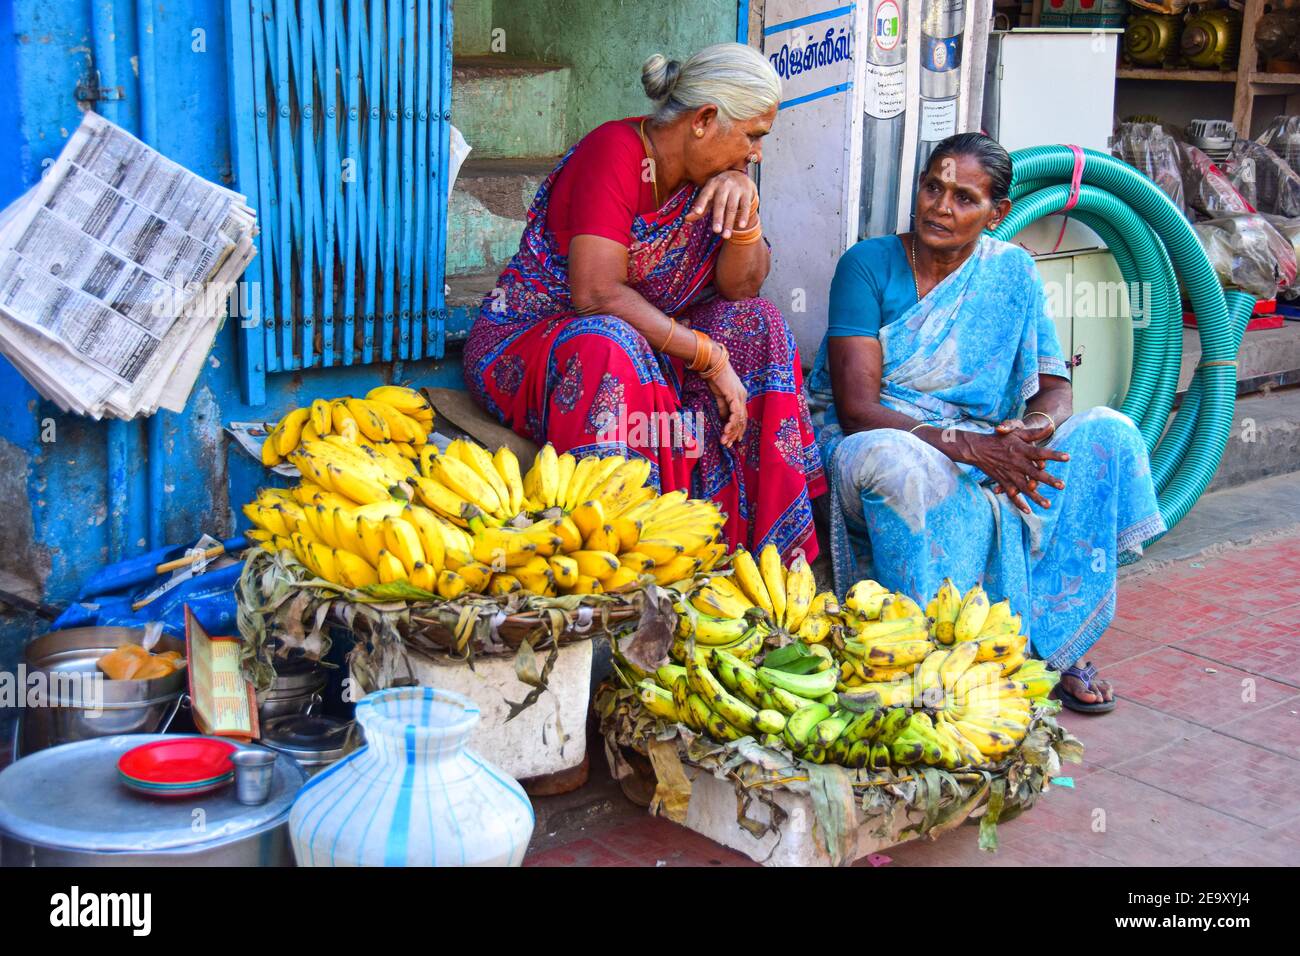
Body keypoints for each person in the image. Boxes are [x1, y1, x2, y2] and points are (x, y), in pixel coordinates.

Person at [806, 132, 1166, 713]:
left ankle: (1054, 645)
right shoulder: (867, 265)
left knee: (1109, 433)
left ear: (997, 213)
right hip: (882, 441)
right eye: (932, 187)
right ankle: (919, 654)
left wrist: (1027, 434)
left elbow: (1054, 389)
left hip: (985, 444)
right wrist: (969, 448)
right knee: (903, 464)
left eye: (964, 198)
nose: (940, 208)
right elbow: (856, 408)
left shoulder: (1012, 272)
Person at [463, 43, 825, 561]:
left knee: (758, 324)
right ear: (703, 120)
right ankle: (625, 553)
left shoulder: (720, 179)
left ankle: (754, 559)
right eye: (752, 136)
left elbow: (741, 290)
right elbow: (595, 293)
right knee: (610, 343)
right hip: (536, 339)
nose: (756, 153)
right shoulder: (614, 151)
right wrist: (708, 355)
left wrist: (746, 217)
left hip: (651, 338)